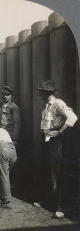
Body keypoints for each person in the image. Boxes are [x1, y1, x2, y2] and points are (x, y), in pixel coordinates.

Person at [36, 79, 78, 218]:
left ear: (47, 92)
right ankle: (47, 201)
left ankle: (59, 207)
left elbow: (72, 117)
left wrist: (59, 132)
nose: (39, 93)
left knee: (56, 173)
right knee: (46, 171)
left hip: (56, 141)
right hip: (47, 141)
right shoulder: (46, 106)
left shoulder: (58, 103)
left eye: (41, 91)